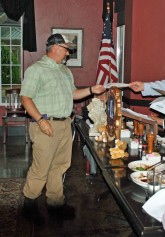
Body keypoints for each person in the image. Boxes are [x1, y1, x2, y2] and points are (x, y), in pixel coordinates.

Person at [20, 33, 106, 224]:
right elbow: (25, 98)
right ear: (56, 47)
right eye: (66, 49)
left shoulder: (65, 71)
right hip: (45, 124)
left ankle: (55, 204)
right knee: (41, 168)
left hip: (65, 124)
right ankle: (29, 206)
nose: (68, 53)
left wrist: (92, 90)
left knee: (60, 166)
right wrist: (41, 121)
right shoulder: (36, 70)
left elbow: (74, 94)